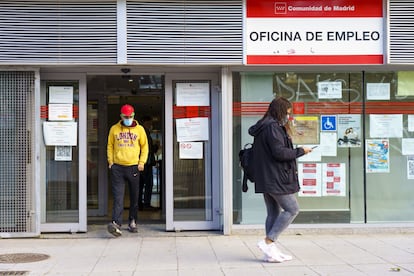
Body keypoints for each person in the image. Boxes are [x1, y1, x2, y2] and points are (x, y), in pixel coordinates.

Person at [248, 97, 313, 262]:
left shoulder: (265, 126)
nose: (288, 117)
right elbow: (280, 153)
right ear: (280, 111)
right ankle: (267, 242)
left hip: (267, 177)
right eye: (287, 113)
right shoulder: (272, 128)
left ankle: (270, 252)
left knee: (273, 212)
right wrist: (301, 151)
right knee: (292, 209)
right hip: (276, 177)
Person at [106, 104, 149, 236]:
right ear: (121, 116)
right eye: (126, 117)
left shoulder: (140, 130)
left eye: (130, 116)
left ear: (133, 115)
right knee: (118, 197)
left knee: (134, 196)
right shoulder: (114, 129)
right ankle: (116, 223)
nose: (128, 119)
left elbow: (145, 147)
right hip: (118, 167)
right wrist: (111, 162)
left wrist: (141, 162)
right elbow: (110, 145)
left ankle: (132, 221)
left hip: (133, 166)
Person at [138, 115, 157, 210]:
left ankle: (139, 204)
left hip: (143, 162)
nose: (150, 125)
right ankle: (146, 204)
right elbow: (148, 149)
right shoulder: (144, 133)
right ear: (145, 123)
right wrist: (156, 147)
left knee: (140, 184)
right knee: (148, 184)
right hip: (146, 162)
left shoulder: (143, 132)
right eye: (149, 123)